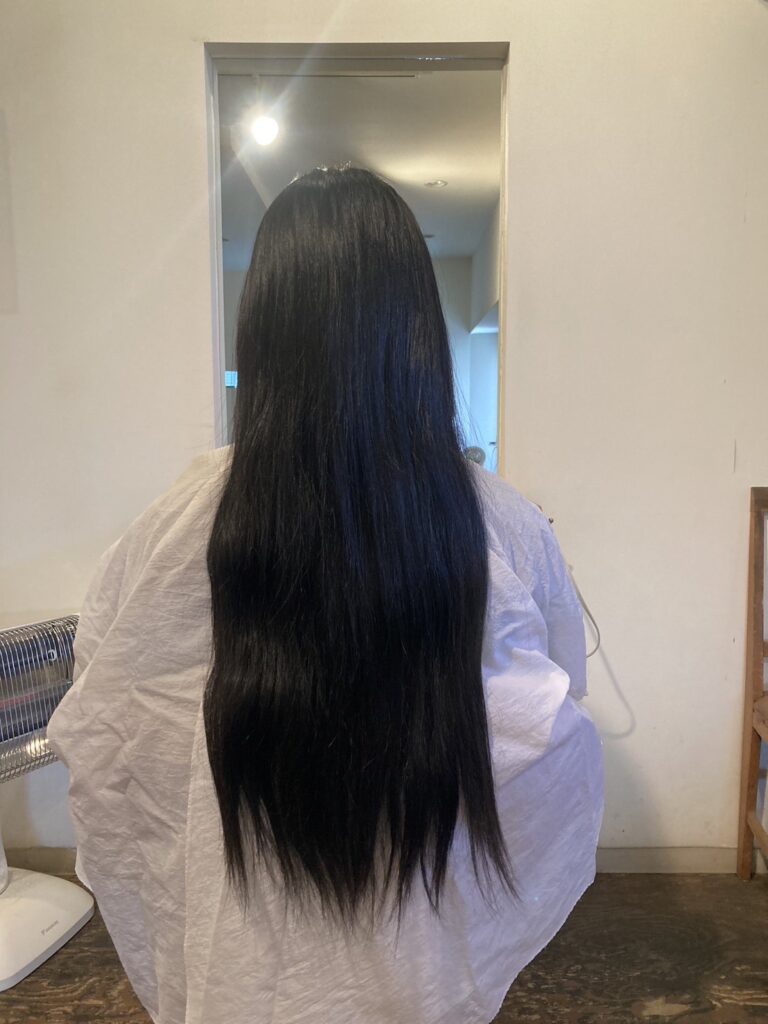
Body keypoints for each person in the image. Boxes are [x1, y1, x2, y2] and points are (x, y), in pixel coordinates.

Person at [47, 166, 603, 1024]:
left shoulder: (175, 525)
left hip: (240, 975)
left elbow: (108, 725)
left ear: (263, 329)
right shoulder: (501, 523)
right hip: (421, 968)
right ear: (417, 331)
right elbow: (557, 719)